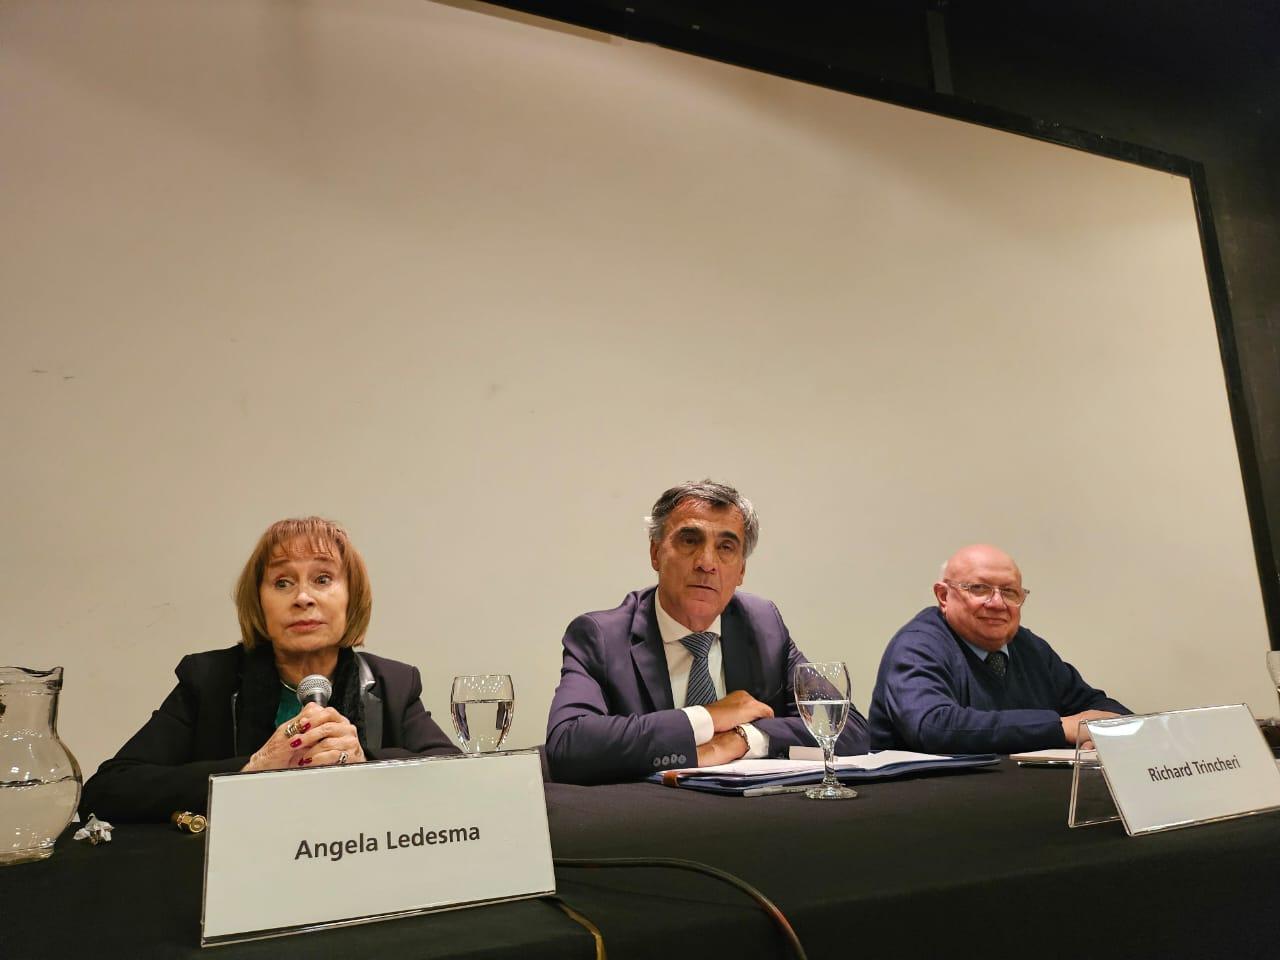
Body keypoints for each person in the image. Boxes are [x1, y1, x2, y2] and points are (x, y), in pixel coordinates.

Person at [80, 517, 458, 822]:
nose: (303, 597)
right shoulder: (209, 679)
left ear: (351, 598)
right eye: (282, 582)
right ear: (259, 603)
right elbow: (108, 790)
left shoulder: (393, 683)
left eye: (322, 579)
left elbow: (457, 778)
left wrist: (365, 764)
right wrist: (252, 769)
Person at [545, 480, 869, 785]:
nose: (707, 562)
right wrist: (708, 717)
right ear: (655, 553)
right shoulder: (601, 637)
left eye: (726, 547)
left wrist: (744, 738)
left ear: (741, 570)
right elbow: (568, 746)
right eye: (690, 540)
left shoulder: (763, 626)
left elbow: (847, 728)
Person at [869, 543, 1129, 754]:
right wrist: (1061, 728)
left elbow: (1095, 706)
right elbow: (934, 727)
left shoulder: (1028, 647)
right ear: (944, 596)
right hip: (930, 798)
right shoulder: (917, 646)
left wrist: (1106, 732)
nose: (997, 603)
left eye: (1009, 592)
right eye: (979, 589)